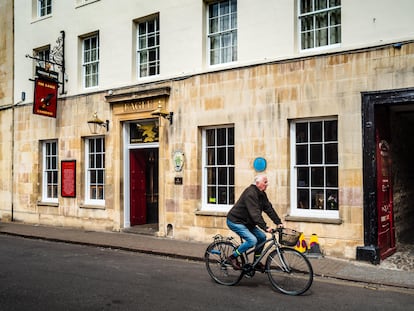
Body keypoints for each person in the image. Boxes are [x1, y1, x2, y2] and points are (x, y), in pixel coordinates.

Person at [226, 174, 283, 272]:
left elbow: (268, 209)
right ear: (257, 183)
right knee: (252, 240)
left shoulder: (261, 194)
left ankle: (256, 262)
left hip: (247, 223)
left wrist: (278, 222)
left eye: (267, 182)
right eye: (265, 182)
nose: (267, 184)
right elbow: (255, 214)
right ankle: (232, 257)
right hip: (236, 221)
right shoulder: (250, 193)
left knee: (262, 237)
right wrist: (265, 227)